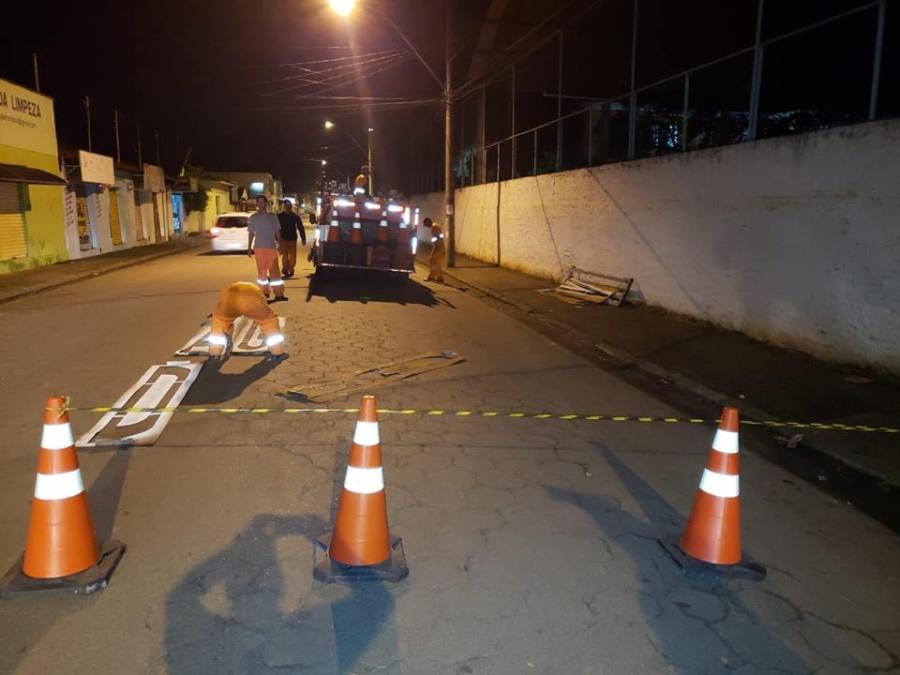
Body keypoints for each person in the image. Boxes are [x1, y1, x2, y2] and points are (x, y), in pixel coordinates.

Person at [247, 195, 286, 301]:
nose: (260, 204)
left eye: (262, 202)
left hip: (271, 248)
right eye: (258, 202)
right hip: (259, 248)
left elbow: (277, 232)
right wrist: (249, 247)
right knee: (262, 272)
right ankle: (264, 292)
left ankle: (279, 293)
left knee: (275, 271)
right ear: (257, 204)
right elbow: (251, 233)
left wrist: (280, 244)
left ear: (266, 203)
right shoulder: (253, 218)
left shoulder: (272, 217)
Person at [277, 199, 306, 278]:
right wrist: (277, 238)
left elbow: (300, 227)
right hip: (284, 239)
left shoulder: (294, 216)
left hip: (291, 239)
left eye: (288, 206)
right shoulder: (280, 216)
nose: (287, 207)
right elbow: (276, 228)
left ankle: (289, 268)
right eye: (286, 206)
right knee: (286, 255)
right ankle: (287, 269)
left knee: (291, 256)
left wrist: (303, 238)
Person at [424, 217, 445, 283]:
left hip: (438, 247)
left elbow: (436, 238)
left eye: (426, 224)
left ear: (428, 222)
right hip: (440, 247)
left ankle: (431, 276)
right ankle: (440, 277)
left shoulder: (434, 227)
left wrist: (435, 249)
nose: (426, 226)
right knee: (437, 263)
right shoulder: (436, 226)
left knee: (432, 261)